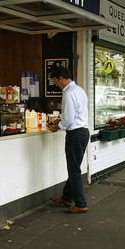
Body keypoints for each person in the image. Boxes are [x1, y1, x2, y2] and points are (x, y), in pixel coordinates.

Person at [47, 66, 90, 214]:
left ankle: (81, 204)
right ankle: (66, 197)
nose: (56, 84)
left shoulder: (69, 93)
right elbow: (75, 114)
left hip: (75, 134)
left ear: (61, 79)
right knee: (75, 168)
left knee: (74, 170)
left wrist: (57, 126)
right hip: (83, 132)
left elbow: (69, 119)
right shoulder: (79, 90)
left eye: (55, 81)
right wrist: (62, 120)